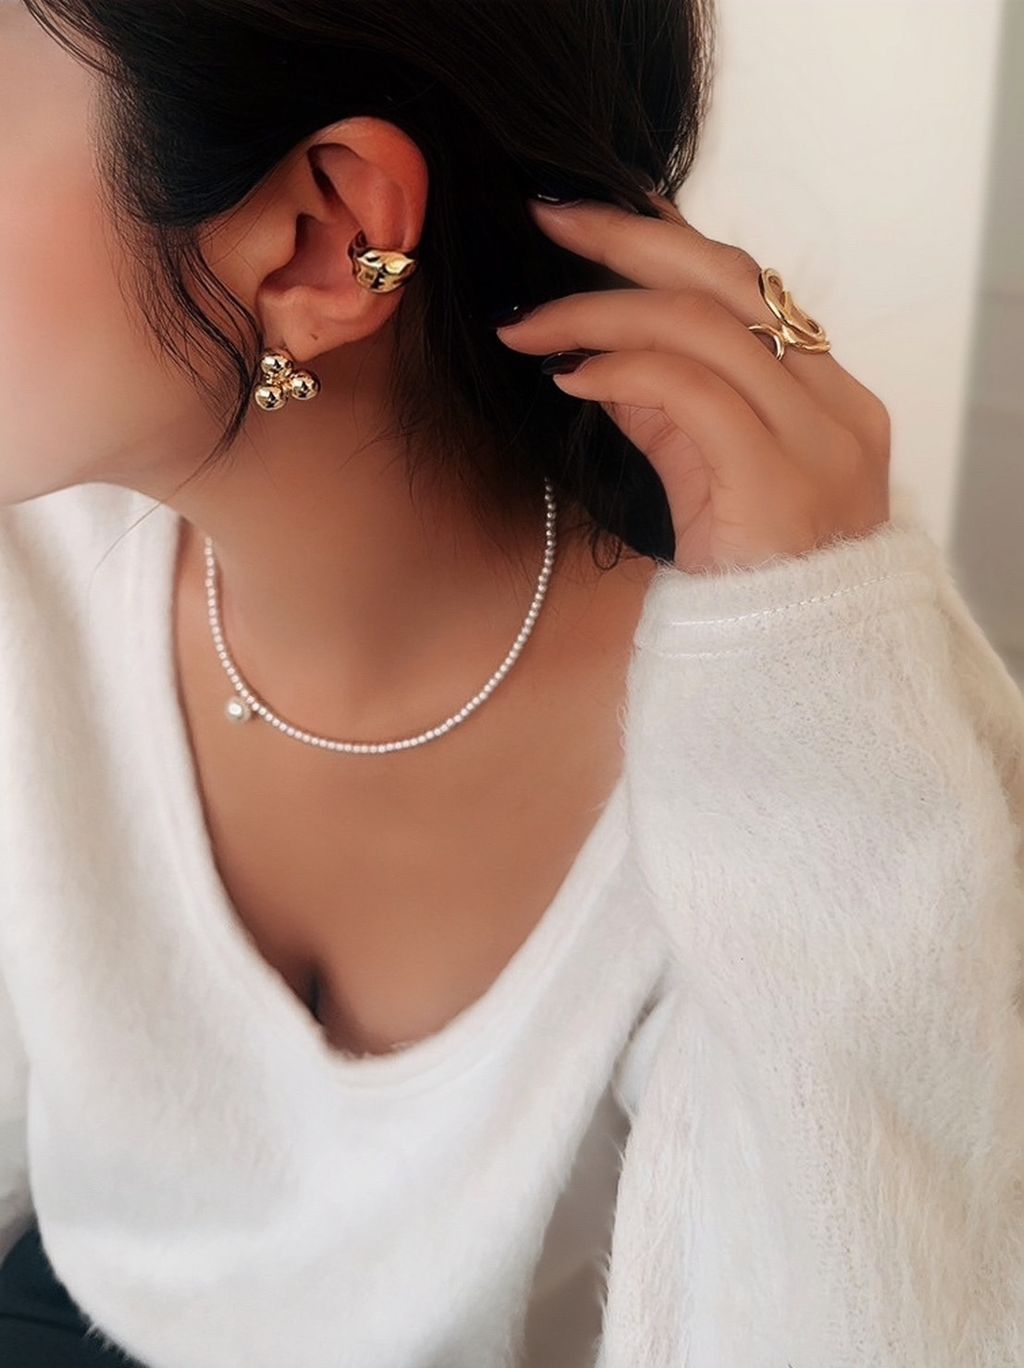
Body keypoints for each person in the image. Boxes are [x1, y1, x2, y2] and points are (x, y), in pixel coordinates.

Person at [1, 2, 1022, 1366]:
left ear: (321, 237)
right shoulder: (37, 555)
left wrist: (813, 707)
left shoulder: (820, 724)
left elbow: (869, 1314)